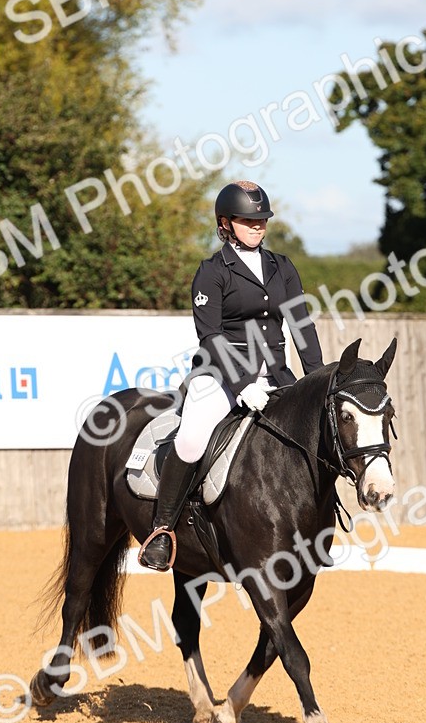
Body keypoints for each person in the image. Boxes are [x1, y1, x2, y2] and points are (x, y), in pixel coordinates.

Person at [138, 178, 325, 570]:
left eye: (261, 220)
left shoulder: (283, 268)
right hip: (220, 376)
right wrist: (243, 384)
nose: (257, 226)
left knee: (313, 434)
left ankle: (313, 526)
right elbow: (211, 336)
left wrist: (316, 382)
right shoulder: (211, 272)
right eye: (247, 220)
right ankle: (162, 529)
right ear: (225, 223)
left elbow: (302, 328)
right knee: (191, 439)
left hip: (276, 373)